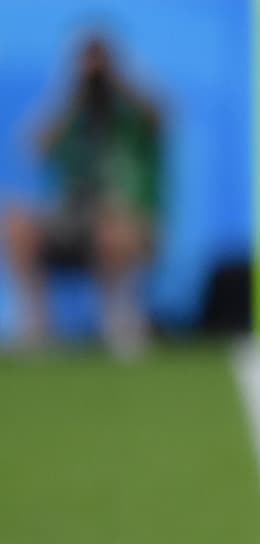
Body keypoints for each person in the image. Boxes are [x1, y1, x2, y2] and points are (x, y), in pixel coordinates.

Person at [2, 34, 162, 356]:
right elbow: (36, 145)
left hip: (127, 219)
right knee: (16, 223)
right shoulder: (72, 113)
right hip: (73, 215)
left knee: (113, 227)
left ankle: (119, 321)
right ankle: (36, 329)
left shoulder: (132, 116)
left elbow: (158, 119)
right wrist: (75, 96)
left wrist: (116, 83)